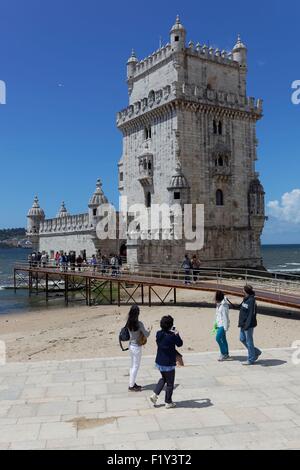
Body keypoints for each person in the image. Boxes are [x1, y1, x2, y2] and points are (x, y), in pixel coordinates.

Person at [150, 315, 183, 409]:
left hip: (160, 361)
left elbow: (163, 335)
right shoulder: (172, 336)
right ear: (170, 325)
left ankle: (155, 394)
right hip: (168, 363)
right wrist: (176, 333)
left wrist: (169, 331)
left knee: (164, 378)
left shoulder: (158, 334)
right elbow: (180, 344)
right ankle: (168, 402)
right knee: (170, 383)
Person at [126, 305, 151, 392]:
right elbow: (146, 335)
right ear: (138, 313)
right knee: (135, 366)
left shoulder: (128, 322)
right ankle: (131, 386)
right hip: (136, 347)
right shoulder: (139, 324)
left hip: (131, 345)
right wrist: (149, 330)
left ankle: (132, 383)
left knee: (132, 365)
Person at [239, 285, 262, 366]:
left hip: (248, 325)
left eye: (243, 290)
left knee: (249, 341)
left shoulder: (252, 300)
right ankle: (256, 352)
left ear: (246, 291)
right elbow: (243, 308)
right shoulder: (245, 298)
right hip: (243, 323)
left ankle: (251, 359)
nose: (242, 291)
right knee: (242, 339)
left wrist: (247, 325)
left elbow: (251, 314)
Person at [215, 291, 231, 361]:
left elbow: (225, 317)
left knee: (218, 338)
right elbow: (217, 315)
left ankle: (223, 353)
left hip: (222, 325)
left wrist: (225, 327)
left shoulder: (224, 305)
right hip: (219, 324)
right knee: (223, 339)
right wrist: (215, 323)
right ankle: (226, 353)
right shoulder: (219, 304)